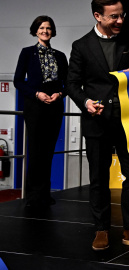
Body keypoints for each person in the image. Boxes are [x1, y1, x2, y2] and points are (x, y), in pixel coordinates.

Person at [66, 0, 129, 251]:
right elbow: (72, 83)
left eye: (122, 15)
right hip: (97, 123)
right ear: (98, 16)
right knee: (98, 179)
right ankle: (101, 229)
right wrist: (86, 102)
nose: (120, 21)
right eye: (114, 16)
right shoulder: (81, 46)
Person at [14, 15, 68, 209]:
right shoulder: (27, 53)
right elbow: (18, 81)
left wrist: (60, 94)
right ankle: (33, 196)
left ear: (52, 31)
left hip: (54, 107)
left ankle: (45, 194)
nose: (45, 31)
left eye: (48, 28)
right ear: (35, 30)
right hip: (35, 107)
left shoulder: (60, 56)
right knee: (35, 151)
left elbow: (68, 83)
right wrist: (37, 94)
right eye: (42, 28)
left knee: (48, 152)